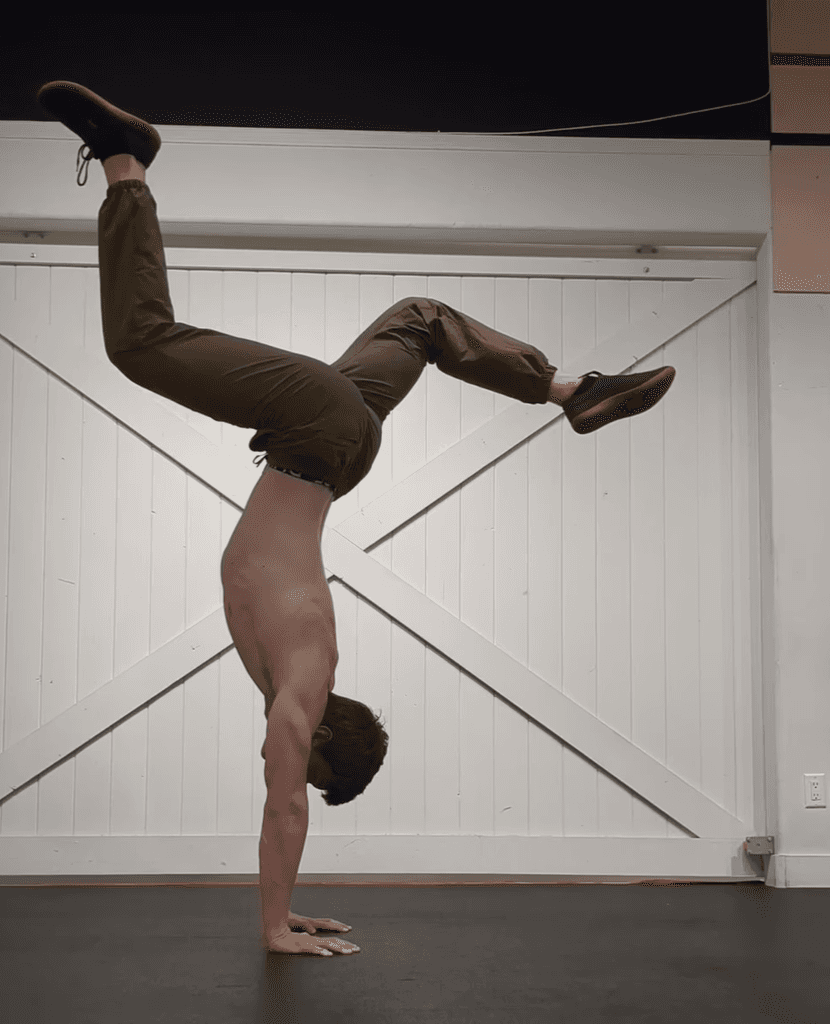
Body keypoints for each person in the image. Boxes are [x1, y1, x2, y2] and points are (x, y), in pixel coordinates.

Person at [37, 82, 676, 958]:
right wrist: (272, 926)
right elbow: (285, 802)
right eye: (311, 760)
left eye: (300, 760)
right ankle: (126, 159)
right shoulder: (303, 680)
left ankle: (570, 391)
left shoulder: (292, 674)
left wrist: (290, 905)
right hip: (319, 434)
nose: (287, 760)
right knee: (141, 341)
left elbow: (291, 795)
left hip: (337, 443)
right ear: (323, 737)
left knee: (422, 319)